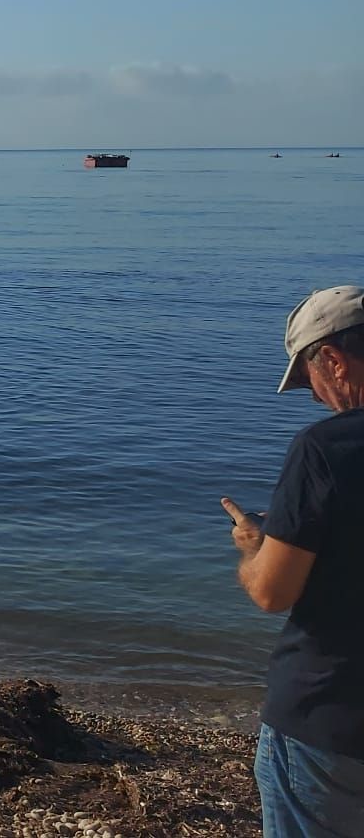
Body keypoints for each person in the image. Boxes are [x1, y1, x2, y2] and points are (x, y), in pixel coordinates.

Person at [221, 285, 364, 836]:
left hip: (330, 715)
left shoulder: (325, 449)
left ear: (333, 357)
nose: (313, 397)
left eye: (309, 378)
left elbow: (271, 592)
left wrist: (255, 548)